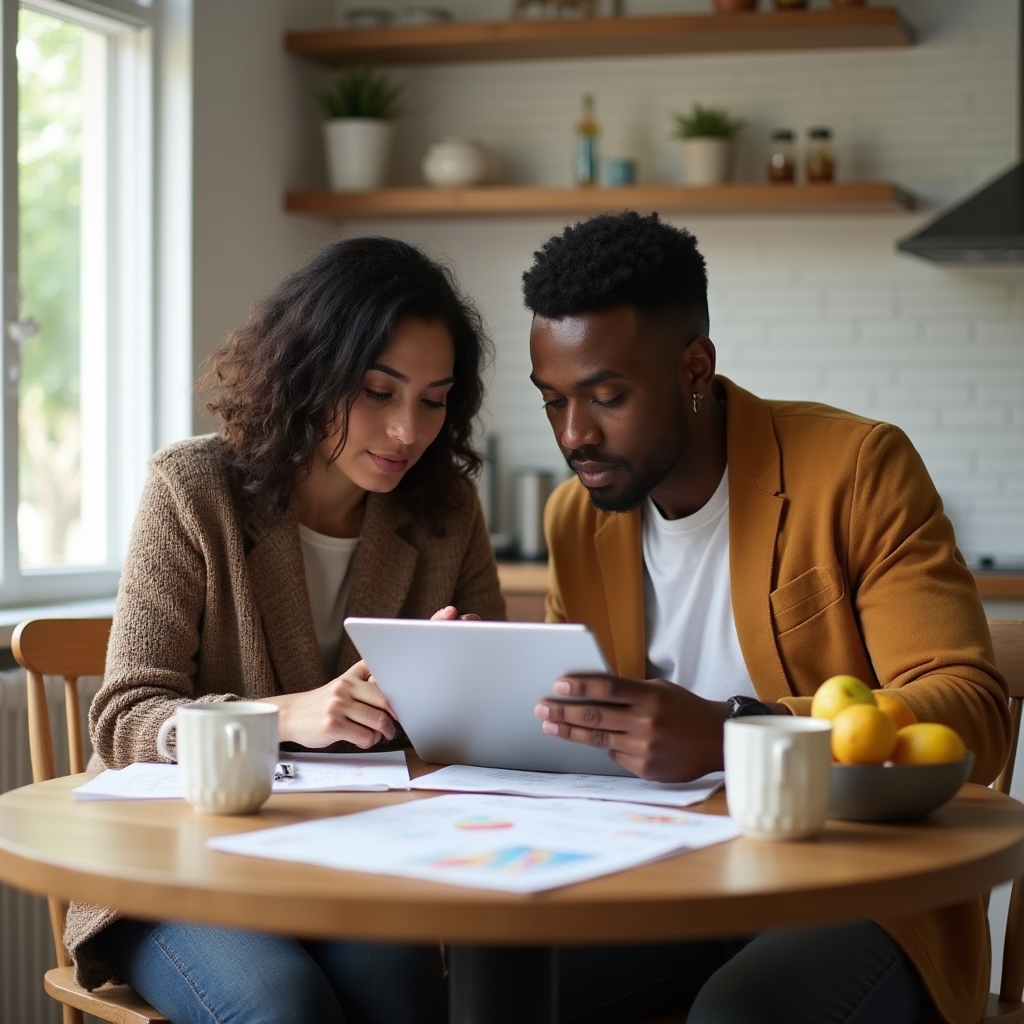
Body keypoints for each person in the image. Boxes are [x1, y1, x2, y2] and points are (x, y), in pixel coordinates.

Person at [523, 211, 1009, 1024]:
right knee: (491, 991)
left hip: (858, 883)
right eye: (553, 402)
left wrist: (734, 733)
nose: (576, 434)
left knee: (741, 1014)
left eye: (608, 396)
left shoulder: (856, 469)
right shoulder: (576, 519)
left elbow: (972, 711)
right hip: (664, 876)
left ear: (694, 368)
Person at [64, 236, 505, 1024]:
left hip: (350, 857)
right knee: (284, 1008)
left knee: (407, 996)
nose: (407, 430)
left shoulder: (444, 514)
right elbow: (123, 717)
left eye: (433, 399)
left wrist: (465, 685)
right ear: (311, 374)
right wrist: (283, 715)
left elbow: (480, 738)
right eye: (379, 390)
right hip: (177, 866)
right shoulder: (193, 491)